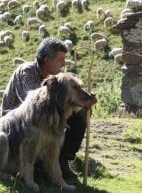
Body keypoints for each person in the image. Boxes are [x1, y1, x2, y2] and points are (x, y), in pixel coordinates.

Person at [0, 37, 97, 179]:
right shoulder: (27, 72)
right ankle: (33, 167)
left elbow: (58, 105)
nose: (64, 63)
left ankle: (61, 160)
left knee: (80, 116)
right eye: (60, 60)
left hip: (42, 120)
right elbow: (36, 108)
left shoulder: (57, 79)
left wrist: (81, 102)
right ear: (47, 61)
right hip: (17, 126)